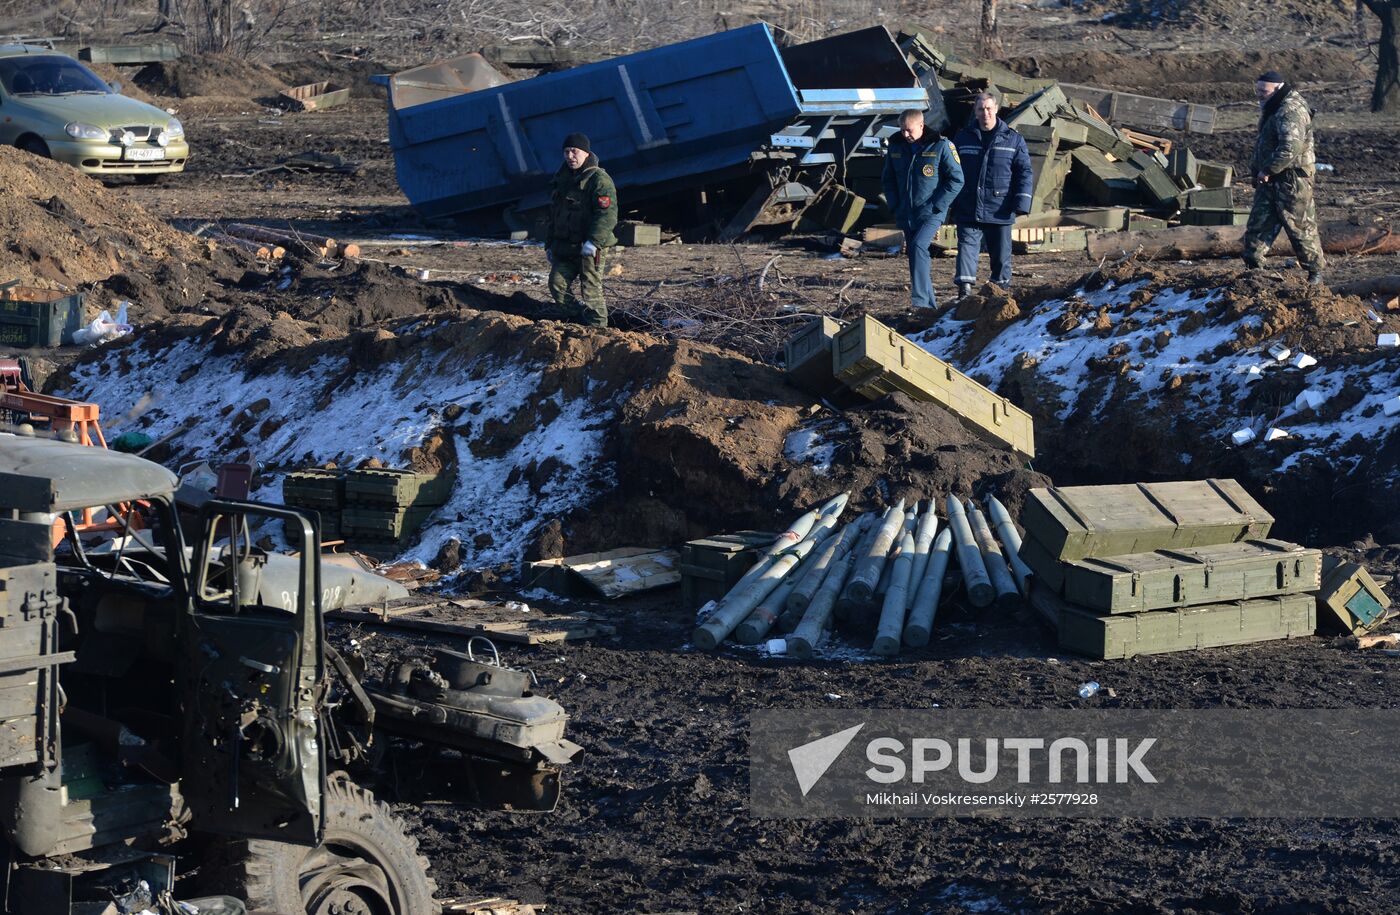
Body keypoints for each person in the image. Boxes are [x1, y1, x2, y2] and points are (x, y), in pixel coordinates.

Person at [1242, 70, 1325, 285]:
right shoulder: (1273, 106)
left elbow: (1291, 147)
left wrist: (1268, 169)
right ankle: (1254, 271)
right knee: (1258, 225)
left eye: (1264, 91)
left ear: (1277, 89)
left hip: (1291, 181)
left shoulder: (1290, 110)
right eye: (1257, 90)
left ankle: (1315, 274)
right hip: (1270, 180)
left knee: (1300, 228)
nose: (1259, 94)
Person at [950, 92, 1034, 299]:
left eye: (989, 108)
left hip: (1000, 207)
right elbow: (950, 170)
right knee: (967, 247)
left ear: (996, 109)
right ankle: (965, 289)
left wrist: (1021, 202)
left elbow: (1024, 171)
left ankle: (999, 290)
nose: (985, 113)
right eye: (981, 109)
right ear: (975, 112)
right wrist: (951, 201)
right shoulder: (962, 138)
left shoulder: (1013, 139)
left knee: (1001, 254)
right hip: (969, 204)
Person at [881, 109, 964, 309]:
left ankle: (919, 302)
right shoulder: (896, 146)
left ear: (921, 125)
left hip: (931, 212)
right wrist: (895, 204)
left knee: (918, 246)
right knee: (916, 254)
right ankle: (929, 307)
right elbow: (888, 179)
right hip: (906, 213)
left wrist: (937, 205)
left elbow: (956, 179)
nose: (905, 135)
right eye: (902, 130)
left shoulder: (941, 145)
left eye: (909, 130)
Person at [545, 133, 618, 327]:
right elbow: (554, 215)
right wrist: (549, 245)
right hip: (566, 247)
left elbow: (607, 215)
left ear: (586, 153)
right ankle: (577, 321)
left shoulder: (599, 180)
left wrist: (593, 242)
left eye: (574, 151)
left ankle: (599, 331)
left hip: (590, 248)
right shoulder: (561, 179)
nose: (570, 156)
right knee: (557, 284)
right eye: (566, 152)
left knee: (591, 290)